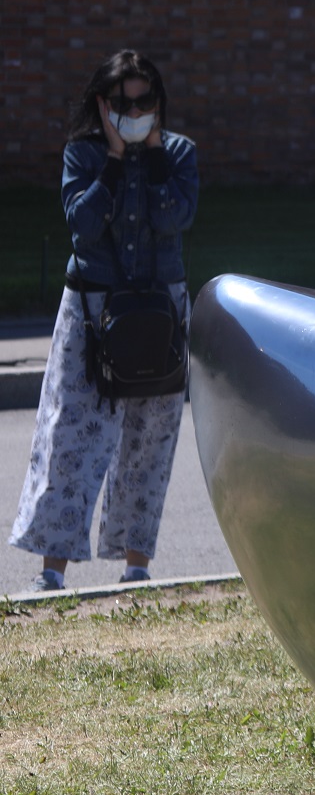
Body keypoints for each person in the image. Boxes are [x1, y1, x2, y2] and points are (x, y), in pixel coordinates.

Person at [10, 51, 200, 592]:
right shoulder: (83, 153)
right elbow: (84, 225)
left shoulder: (180, 154)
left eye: (144, 102)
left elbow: (175, 215)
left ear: (158, 104)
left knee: (149, 440)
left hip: (159, 312)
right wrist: (114, 161)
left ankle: (136, 567)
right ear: (102, 104)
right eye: (122, 103)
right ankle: (52, 572)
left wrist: (153, 155)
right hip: (91, 312)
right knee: (71, 438)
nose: (133, 112)